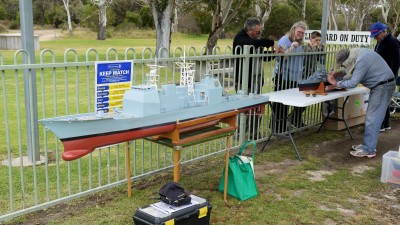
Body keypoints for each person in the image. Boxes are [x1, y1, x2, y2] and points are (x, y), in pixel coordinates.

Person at [327, 48, 395, 158]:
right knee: (371, 117)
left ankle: (368, 149)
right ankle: (368, 145)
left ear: (347, 61)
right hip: (381, 85)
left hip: (382, 87)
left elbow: (353, 82)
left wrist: (335, 83)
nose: (343, 67)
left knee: (372, 118)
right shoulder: (357, 55)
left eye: (343, 65)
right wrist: (339, 74)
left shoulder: (361, 60)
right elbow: (352, 72)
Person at [233, 17, 277, 139]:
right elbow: (250, 44)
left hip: (256, 79)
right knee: (243, 107)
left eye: (261, 31)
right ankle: (239, 133)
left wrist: (274, 53)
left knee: (256, 106)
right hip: (243, 79)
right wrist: (271, 42)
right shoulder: (240, 37)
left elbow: (263, 57)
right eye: (258, 32)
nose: (260, 34)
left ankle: (254, 134)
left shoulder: (256, 40)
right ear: (249, 30)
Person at [272, 21, 308, 133]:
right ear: (293, 30)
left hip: (295, 77)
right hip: (284, 77)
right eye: (299, 32)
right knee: (281, 104)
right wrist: (291, 47)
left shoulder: (300, 43)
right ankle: (278, 128)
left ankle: (289, 122)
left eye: (303, 33)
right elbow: (280, 57)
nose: (300, 34)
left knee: (295, 102)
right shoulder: (285, 40)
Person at [369, 22, 400, 132]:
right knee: (382, 100)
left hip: (387, 77)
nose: (376, 38)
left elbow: (396, 62)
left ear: (383, 32)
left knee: (382, 100)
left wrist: (390, 76)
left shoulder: (392, 42)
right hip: (379, 75)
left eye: (377, 35)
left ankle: (382, 123)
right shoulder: (380, 42)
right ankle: (384, 123)